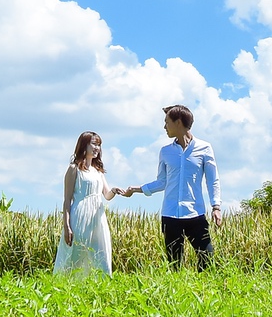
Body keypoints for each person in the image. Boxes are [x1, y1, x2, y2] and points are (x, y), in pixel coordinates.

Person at [126, 104, 220, 270]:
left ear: (178, 122)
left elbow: (212, 180)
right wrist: (136, 189)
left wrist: (216, 206)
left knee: (207, 259)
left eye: (166, 122)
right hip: (170, 215)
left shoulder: (205, 148)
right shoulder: (165, 151)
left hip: (195, 214)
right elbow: (162, 182)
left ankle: (202, 286)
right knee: (174, 264)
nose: (164, 127)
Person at [54, 131, 134, 276]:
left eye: (99, 145)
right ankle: (68, 283)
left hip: (97, 216)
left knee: (100, 251)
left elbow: (107, 195)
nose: (97, 148)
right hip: (79, 215)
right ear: (84, 145)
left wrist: (114, 190)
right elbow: (67, 200)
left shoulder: (98, 171)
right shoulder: (74, 169)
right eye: (94, 144)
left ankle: (103, 282)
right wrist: (67, 226)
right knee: (76, 253)